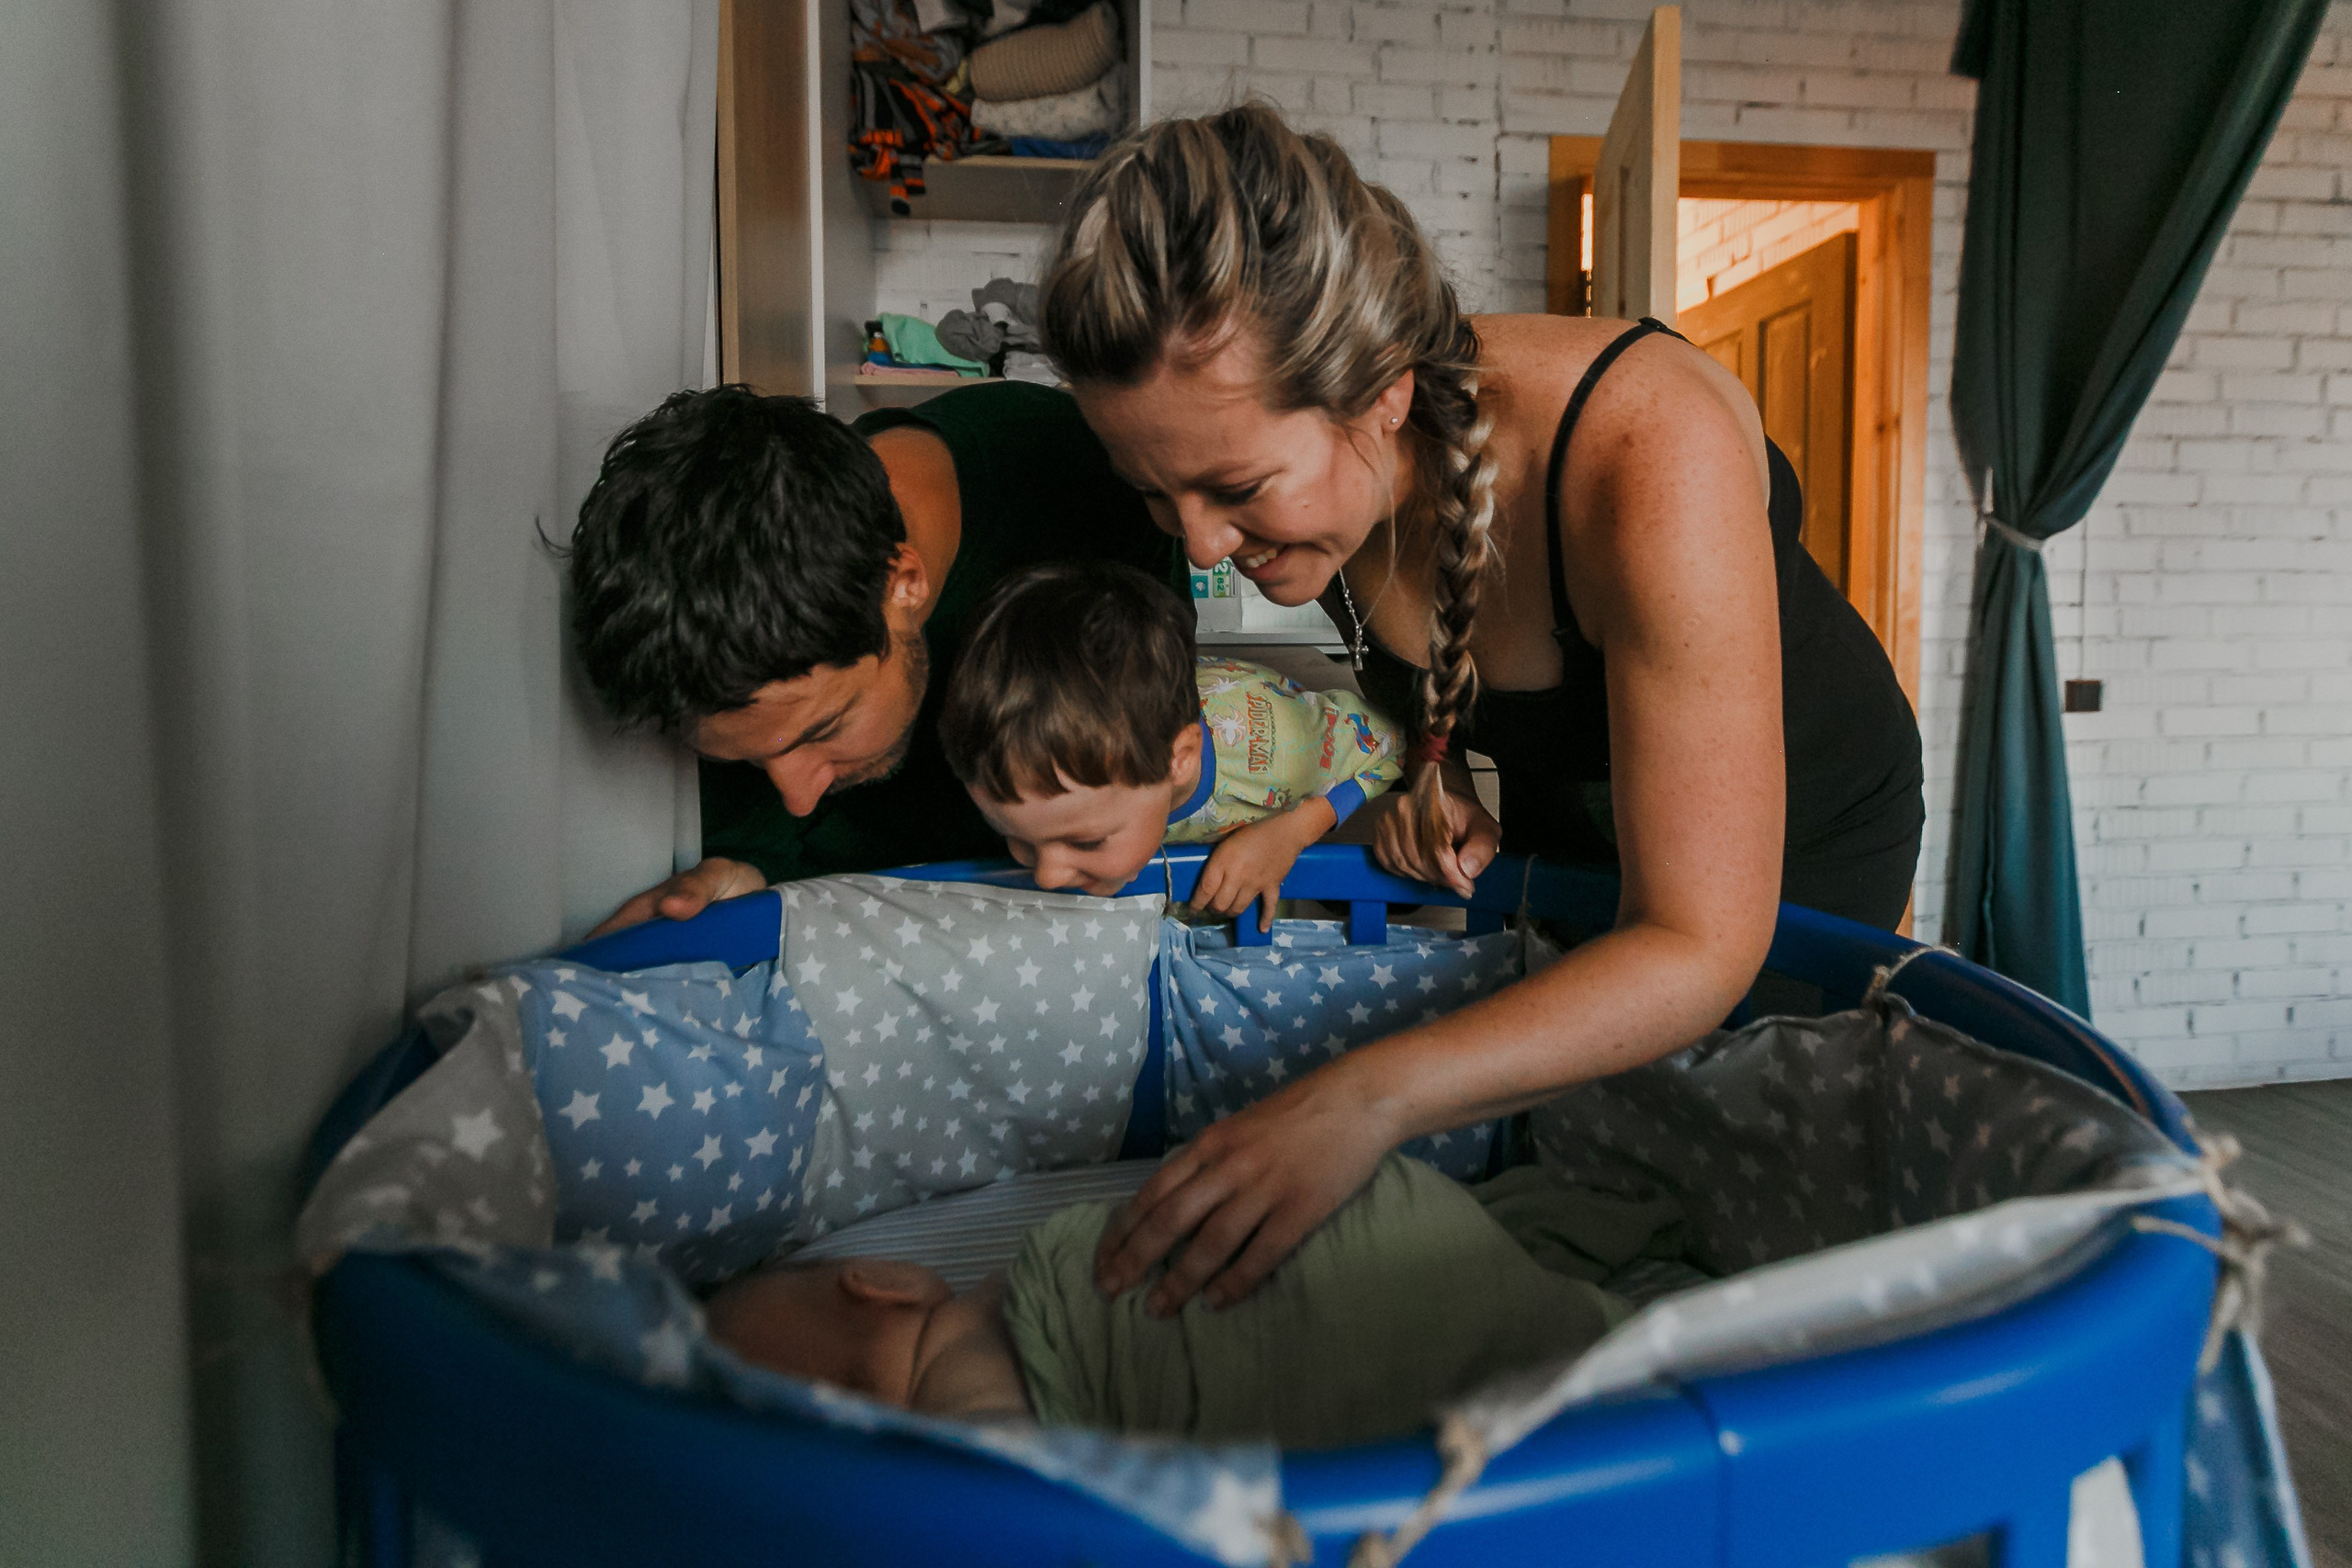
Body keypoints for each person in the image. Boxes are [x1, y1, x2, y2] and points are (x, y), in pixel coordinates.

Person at [1035, 105, 1925, 1317]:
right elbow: (1449, 665)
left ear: (1381, 397)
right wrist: (1432, 772)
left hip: (1801, 837)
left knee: (1728, 1161)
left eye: (1234, 487)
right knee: (1582, 1140)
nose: (1199, 545)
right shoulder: (1331, 493)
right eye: (1156, 493)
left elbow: (1696, 942)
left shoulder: (1650, 451)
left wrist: (1361, 1098)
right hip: (1581, 820)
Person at [569, 381, 1189, 933]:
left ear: (903, 583)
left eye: (824, 730)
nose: (798, 797)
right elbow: (772, 845)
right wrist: (751, 879)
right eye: (745, 761)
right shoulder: (708, 663)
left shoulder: (1081, 481)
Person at [705, 1154, 1626, 1448]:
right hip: (1397, 1225)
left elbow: (999, 1459)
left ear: (885, 1283)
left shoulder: (967, 1345)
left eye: (848, 1384)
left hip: (1336, 1274)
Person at [937, 560, 1402, 926]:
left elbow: (1392, 742)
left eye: (1087, 841)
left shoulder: (1275, 748)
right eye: (1017, 839)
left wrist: (1294, 831)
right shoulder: (1036, 772)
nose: (1046, 875)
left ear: (1178, 759)